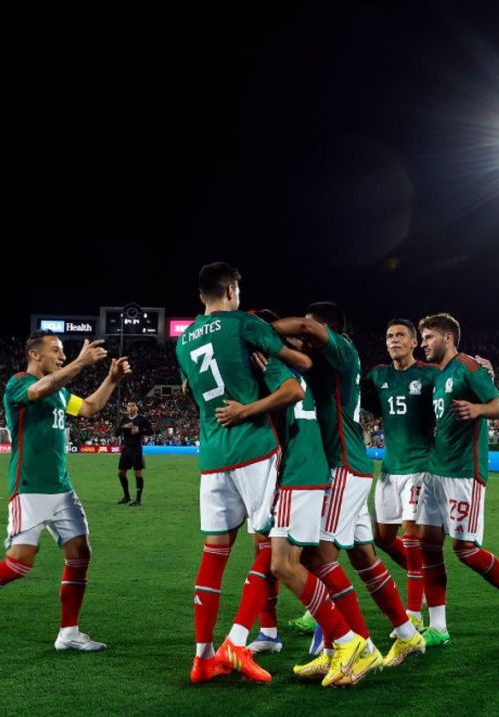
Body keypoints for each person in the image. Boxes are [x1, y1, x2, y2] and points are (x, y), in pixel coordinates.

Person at [175, 263, 362, 686]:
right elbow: (299, 366)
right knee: (272, 548)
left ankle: (204, 657)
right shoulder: (243, 325)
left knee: (214, 554)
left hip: (212, 454)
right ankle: (245, 642)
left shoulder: (184, 340)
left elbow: (194, 387)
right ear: (230, 288)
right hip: (253, 449)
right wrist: (275, 346)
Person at [0, 333, 131, 651]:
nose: (62, 355)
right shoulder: (19, 384)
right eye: (56, 350)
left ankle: (69, 633)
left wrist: (111, 379)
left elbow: (90, 408)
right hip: (29, 489)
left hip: (62, 489)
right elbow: (38, 391)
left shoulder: (61, 393)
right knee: (19, 563)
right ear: (34, 355)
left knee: (80, 554)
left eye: (64, 352)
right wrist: (82, 361)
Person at [272, 303, 424, 682]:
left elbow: (306, 327)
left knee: (317, 556)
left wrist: (259, 331)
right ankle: (406, 634)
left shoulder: (340, 348)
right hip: (346, 463)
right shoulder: (328, 359)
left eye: (311, 332)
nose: (305, 338)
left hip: (342, 465)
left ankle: (360, 647)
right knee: (363, 555)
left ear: (326, 329)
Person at [412, 312, 499, 647]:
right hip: (437, 471)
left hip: (465, 472)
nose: (424, 344)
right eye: (421, 339)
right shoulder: (441, 375)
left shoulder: (467, 366)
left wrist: (477, 410)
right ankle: (439, 627)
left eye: (428, 337)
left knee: (464, 549)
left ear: (448, 337)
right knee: (428, 545)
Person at [359, 318, 438, 632]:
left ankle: (414, 615)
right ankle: (419, 573)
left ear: (414, 342)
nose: (394, 340)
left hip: (421, 467)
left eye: (400, 335)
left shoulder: (430, 374)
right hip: (390, 470)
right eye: (389, 335)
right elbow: (363, 408)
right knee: (383, 537)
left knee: (411, 537)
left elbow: (456, 389)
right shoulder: (378, 376)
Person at [116, 401, 153, 506]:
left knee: (137, 474)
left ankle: (138, 500)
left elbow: (151, 431)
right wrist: (124, 427)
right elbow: (116, 433)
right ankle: (126, 497)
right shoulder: (124, 420)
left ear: (137, 408)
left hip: (136, 449)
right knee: (120, 473)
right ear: (126, 409)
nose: (131, 408)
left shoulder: (142, 419)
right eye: (129, 406)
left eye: (133, 406)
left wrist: (140, 431)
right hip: (126, 449)